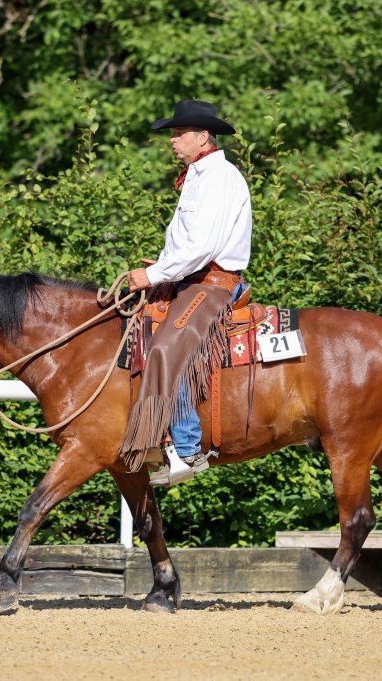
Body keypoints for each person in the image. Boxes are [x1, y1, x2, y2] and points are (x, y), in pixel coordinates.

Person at [121, 99, 252, 486]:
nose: (173, 142)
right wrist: (162, 268)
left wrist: (154, 274)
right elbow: (188, 245)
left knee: (166, 346)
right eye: (173, 134)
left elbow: (203, 247)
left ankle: (186, 449)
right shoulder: (198, 176)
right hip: (190, 280)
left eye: (179, 134)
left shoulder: (219, 178)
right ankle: (149, 439)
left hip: (213, 284)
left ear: (203, 137)